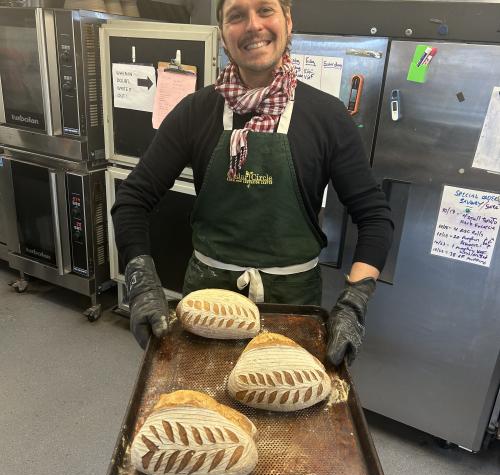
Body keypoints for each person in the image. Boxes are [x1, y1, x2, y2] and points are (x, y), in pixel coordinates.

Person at [111, 0, 394, 365]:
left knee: (284, 401)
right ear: (223, 36)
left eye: (265, 10)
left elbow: (375, 217)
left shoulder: (326, 117)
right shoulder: (196, 112)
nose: (253, 25)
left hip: (293, 305)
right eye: (236, 15)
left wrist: (354, 303)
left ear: (288, 21)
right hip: (205, 302)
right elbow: (132, 200)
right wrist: (142, 284)